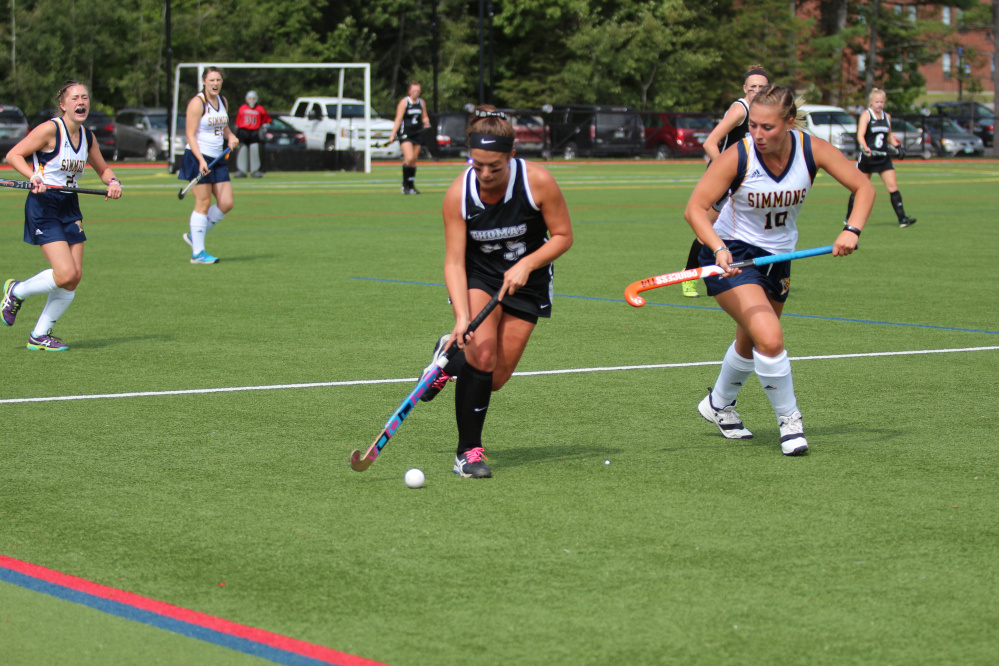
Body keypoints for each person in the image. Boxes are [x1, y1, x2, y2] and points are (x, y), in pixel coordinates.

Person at [683, 85, 875, 456]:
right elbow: (695, 208)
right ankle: (790, 422)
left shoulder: (810, 149)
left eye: (767, 127)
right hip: (732, 256)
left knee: (751, 339)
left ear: (789, 122)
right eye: (753, 125)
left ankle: (718, 404)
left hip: (779, 257)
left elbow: (863, 186)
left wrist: (852, 229)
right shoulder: (738, 156)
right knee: (770, 337)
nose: (758, 134)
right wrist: (718, 248)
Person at [418, 107, 573, 478]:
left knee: (496, 378)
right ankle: (467, 453)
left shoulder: (538, 182)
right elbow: (454, 262)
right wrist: (461, 318)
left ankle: (448, 359)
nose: (485, 174)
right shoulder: (458, 194)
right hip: (479, 277)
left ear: (511, 156)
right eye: (478, 164)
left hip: (528, 280)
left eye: (495, 166)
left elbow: (564, 236)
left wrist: (528, 263)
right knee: (482, 357)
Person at [2, 80, 123, 351]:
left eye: (85, 97)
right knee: (64, 271)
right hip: (43, 205)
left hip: (70, 206)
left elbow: (103, 170)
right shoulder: (49, 130)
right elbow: (14, 155)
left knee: (73, 277)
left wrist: (113, 182)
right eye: (75, 98)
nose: (81, 102)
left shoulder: (88, 137)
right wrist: (33, 175)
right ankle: (16, 291)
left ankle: (39, 335)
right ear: (63, 104)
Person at [680, 65, 771, 298]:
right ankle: (689, 276)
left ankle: (752, 274)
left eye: (762, 87)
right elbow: (710, 143)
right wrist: (727, 173)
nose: (757, 91)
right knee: (705, 232)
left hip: (745, 181)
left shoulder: (766, 112)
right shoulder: (741, 110)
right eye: (753, 88)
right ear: (745, 89)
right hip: (724, 179)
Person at [179, 66, 239, 264]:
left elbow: (223, 128)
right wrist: (201, 160)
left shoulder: (223, 101)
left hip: (218, 158)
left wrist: (230, 137)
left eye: (218, 80)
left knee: (226, 202)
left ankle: (194, 235)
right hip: (198, 157)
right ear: (204, 81)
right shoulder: (197, 103)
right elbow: (190, 133)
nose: (215, 84)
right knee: (203, 204)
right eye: (211, 80)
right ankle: (198, 253)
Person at [846, 88, 916, 228]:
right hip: (868, 158)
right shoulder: (866, 115)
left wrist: (898, 146)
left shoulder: (887, 117)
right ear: (871, 102)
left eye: (882, 102)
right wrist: (865, 147)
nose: (879, 104)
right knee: (858, 188)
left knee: (893, 187)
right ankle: (849, 219)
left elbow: (889, 136)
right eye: (877, 101)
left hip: (883, 158)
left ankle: (902, 219)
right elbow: (860, 135)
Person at [388, 81, 430, 194]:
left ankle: (411, 186)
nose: (416, 92)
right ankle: (405, 185)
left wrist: (426, 122)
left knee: (414, 161)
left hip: (417, 134)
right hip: (405, 134)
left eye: (418, 90)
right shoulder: (404, 102)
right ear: (409, 91)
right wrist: (393, 134)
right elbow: (398, 119)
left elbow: (424, 116)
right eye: (414, 90)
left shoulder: (421, 102)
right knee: (409, 158)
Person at [233, 90, 271, 178]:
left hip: (255, 132)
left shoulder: (260, 109)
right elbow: (237, 122)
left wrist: (264, 130)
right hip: (243, 131)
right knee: (242, 149)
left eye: (253, 98)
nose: (252, 100)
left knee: (255, 149)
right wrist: (236, 133)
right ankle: (242, 170)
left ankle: (255, 170)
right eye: (250, 98)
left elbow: (266, 121)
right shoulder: (242, 108)